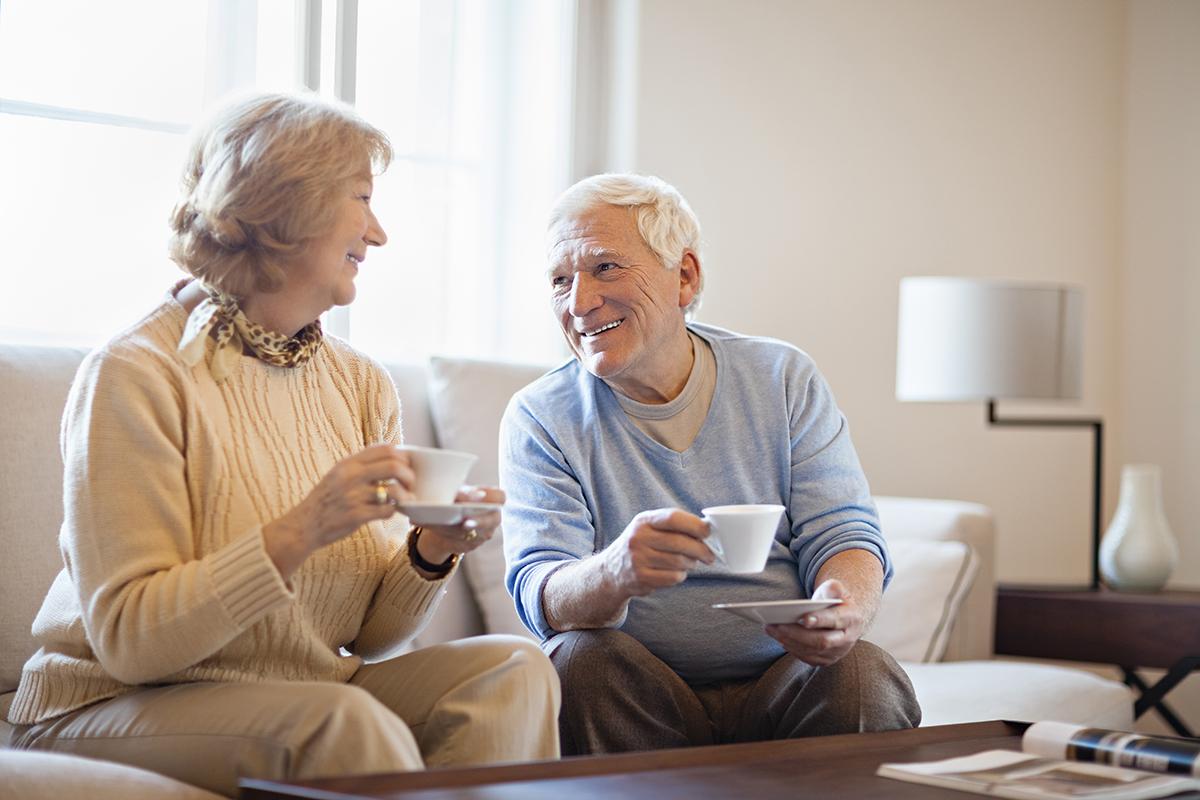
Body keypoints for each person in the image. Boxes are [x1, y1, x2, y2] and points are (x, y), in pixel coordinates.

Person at [6, 92, 559, 797]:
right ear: (285, 206)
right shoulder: (137, 373)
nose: (380, 233)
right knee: (342, 721)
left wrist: (431, 552)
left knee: (512, 673)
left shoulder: (359, 383)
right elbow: (130, 641)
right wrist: (303, 528)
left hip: (300, 693)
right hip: (108, 703)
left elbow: (365, 638)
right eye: (362, 197)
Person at [499, 173, 920, 756]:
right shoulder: (541, 416)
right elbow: (541, 592)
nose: (579, 303)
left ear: (685, 276)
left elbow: (845, 533)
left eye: (605, 268)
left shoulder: (781, 378)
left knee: (863, 672)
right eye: (560, 281)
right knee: (580, 662)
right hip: (639, 692)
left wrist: (843, 610)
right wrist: (615, 571)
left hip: (786, 677)